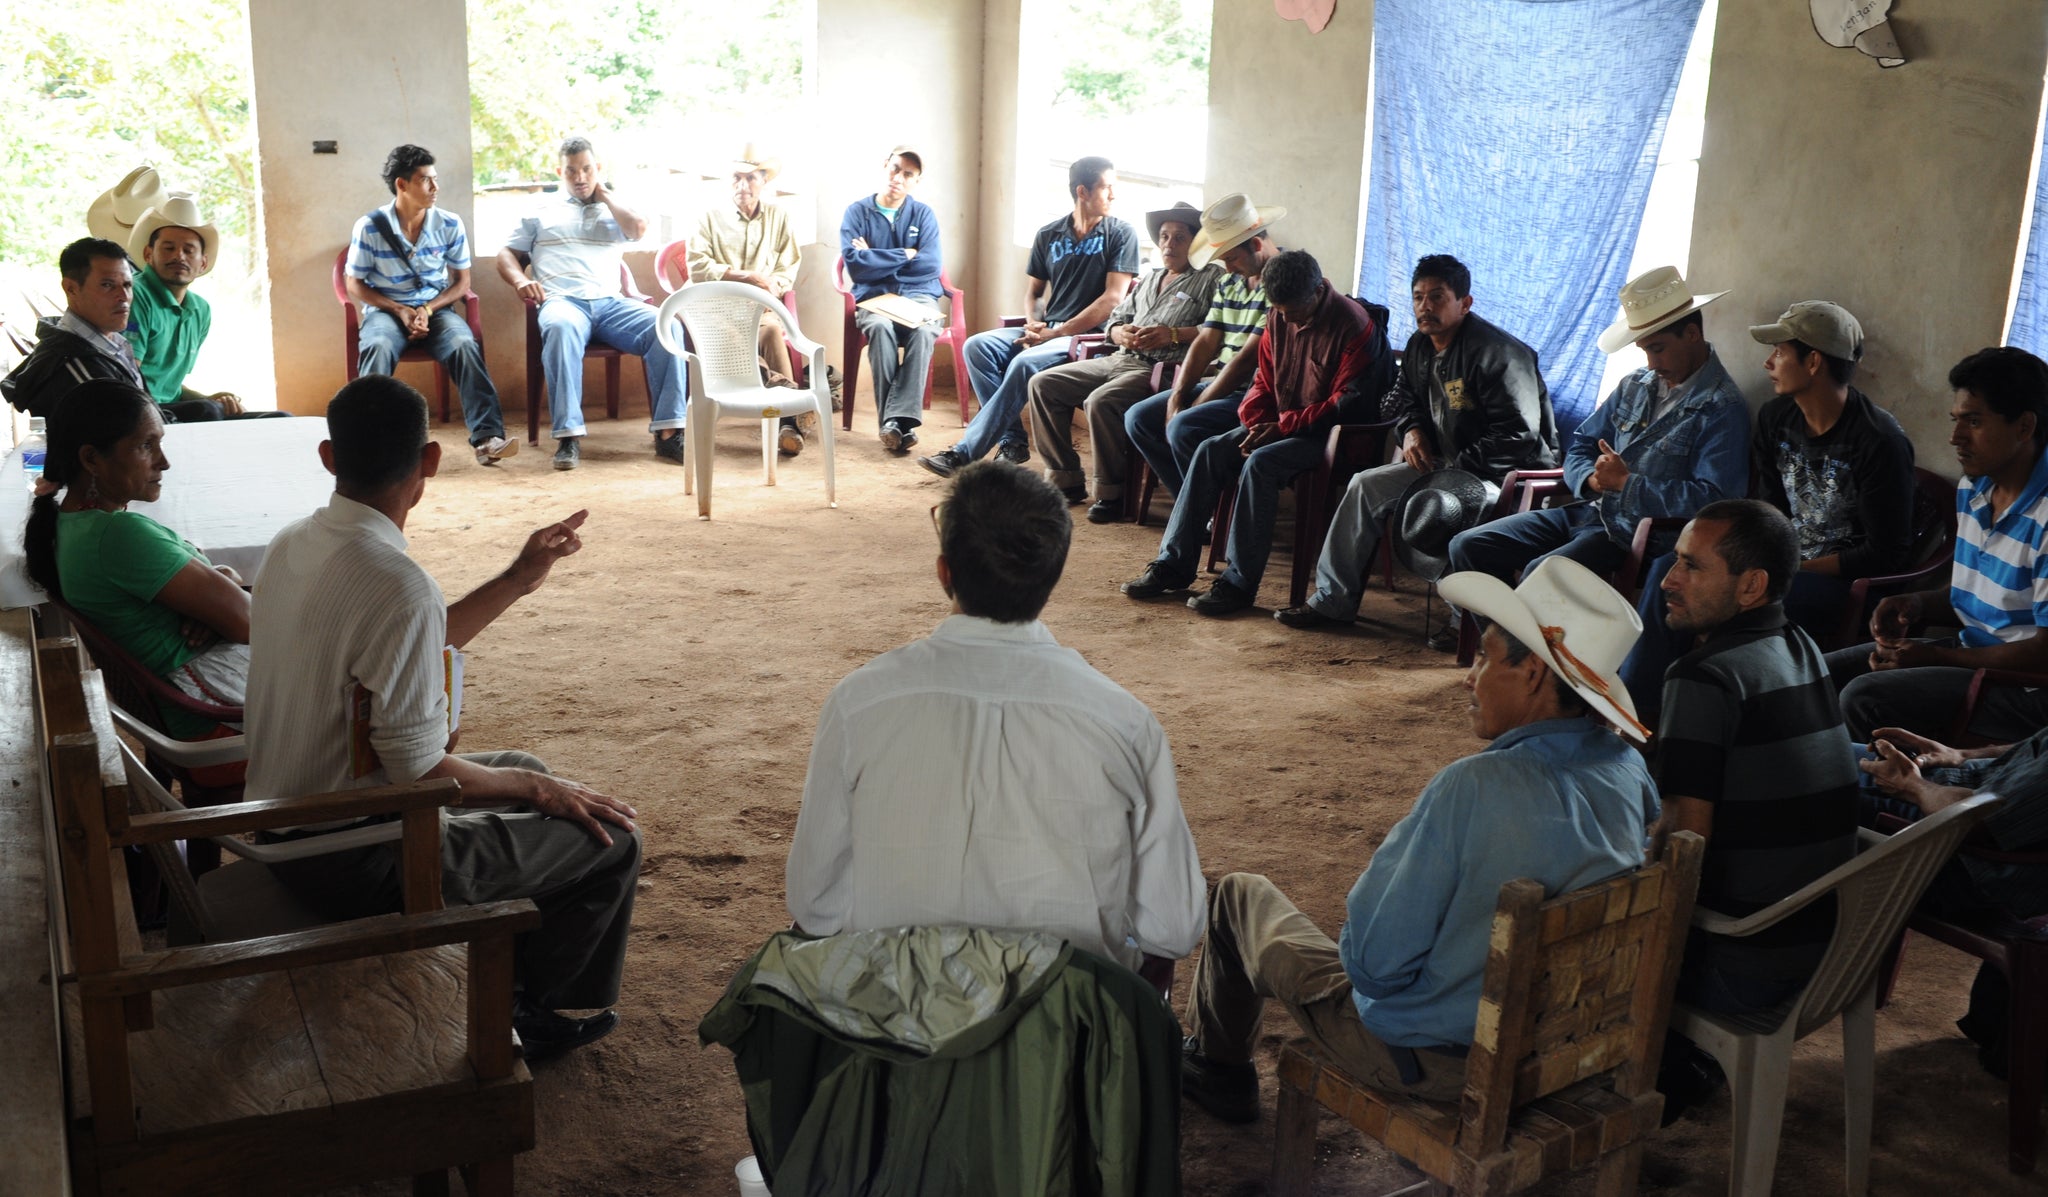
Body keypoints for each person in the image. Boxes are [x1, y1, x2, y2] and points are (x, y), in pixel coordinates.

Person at [245, 375, 642, 1060]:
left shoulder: (291, 543)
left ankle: (504, 979)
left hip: (283, 822)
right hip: (351, 857)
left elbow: (403, 640)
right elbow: (420, 770)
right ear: (429, 462)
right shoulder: (398, 584)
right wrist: (541, 794)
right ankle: (524, 1011)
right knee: (609, 835)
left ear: (328, 456)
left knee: (527, 767)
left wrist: (518, 578)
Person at [1178, 557, 1656, 1122]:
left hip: (1442, 1064)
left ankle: (1220, 1071)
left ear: (1532, 676)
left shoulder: (1472, 786)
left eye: (1484, 656)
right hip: (1564, 1047)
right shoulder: (1629, 769)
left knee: (1240, 894)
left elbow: (1375, 968)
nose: (1468, 676)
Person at [785, 462, 1205, 972]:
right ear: (1052, 577)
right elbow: (1174, 927)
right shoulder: (1123, 722)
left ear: (945, 574)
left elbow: (816, 906)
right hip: (1063, 1035)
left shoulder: (859, 703)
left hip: (894, 1033)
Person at [1644, 499, 1858, 1113]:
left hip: (1749, 967)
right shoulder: (1797, 644)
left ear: (1751, 586)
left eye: (1691, 566)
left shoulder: (1703, 677)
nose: (1668, 579)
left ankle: (1660, 1075)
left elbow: (1684, 854)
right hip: (1829, 951)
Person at [1619, 300, 1914, 725]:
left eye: (1779, 352)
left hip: (1840, 584)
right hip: (1779, 565)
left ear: (1813, 361)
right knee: (1673, 568)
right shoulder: (1777, 419)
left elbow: (1886, 553)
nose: (1767, 362)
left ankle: (1705, 721)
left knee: (1722, 595)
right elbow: (1769, 514)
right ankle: (1643, 711)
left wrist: (1792, 567)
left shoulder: (1879, 440)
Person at [1275, 255, 1558, 643]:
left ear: (1465, 303)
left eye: (1437, 297)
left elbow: (1519, 435)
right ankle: (1332, 600)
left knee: (1448, 503)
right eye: (1418, 297)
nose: (1425, 307)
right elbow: (1399, 401)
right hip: (1444, 464)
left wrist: (1454, 470)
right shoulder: (1419, 346)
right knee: (1365, 485)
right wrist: (1410, 432)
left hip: (1508, 475)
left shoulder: (1499, 354)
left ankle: (1465, 621)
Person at [1443, 266, 1747, 590]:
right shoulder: (1635, 384)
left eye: (1657, 348)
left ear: (1691, 335)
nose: (1651, 363)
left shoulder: (1720, 408)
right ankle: (1507, 636)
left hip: (1637, 535)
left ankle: (1517, 638)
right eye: (1644, 350)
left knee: (1538, 576)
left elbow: (1715, 502)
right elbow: (1582, 444)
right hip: (1589, 512)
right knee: (1468, 546)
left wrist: (1627, 484)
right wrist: (1590, 479)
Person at [1121, 250, 1379, 616]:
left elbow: (1343, 406)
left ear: (1319, 291)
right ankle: (1174, 564)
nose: (1286, 319)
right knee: (1210, 449)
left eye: (1294, 312)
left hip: (1330, 437)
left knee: (1260, 463)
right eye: (1280, 312)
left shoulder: (1353, 326)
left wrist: (1281, 427)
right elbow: (1263, 378)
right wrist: (1255, 419)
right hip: (1283, 423)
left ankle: (1238, 584)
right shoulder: (1278, 315)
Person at [1824, 346, 2048, 742]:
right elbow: (1978, 592)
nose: (1955, 437)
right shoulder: (1975, 489)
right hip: (1970, 653)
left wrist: (1937, 656)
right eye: (1956, 420)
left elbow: (2043, 654)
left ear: (2025, 427)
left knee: (1864, 697)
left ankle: (1891, 795)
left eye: (1974, 422)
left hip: (2025, 690)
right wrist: (1918, 603)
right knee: (1815, 674)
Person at [20, 380, 251, 742]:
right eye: (146, 445)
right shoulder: (118, 536)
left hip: (188, 707)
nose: (164, 462)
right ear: (91, 459)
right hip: (216, 724)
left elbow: (230, 606)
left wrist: (219, 587)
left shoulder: (73, 524)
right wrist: (221, 597)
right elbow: (248, 622)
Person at [916, 156, 1136, 477]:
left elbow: (1112, 300)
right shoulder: (1049, 234)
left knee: (1023, 363)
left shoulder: (1120, 234)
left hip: (1088, 337)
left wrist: (1053, 335)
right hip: (1049, 331)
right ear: (1082, 192)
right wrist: (1032, 322)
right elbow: (1034, 292)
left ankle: (964, 453)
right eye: (1107, 187)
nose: (1113, 195)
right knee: (977, 347)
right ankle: (1013, 442)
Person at [1859, 724, 2046, 1077]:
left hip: (1971, 860)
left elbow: (1979, 820)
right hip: (1965, 793)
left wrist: (1912, 787)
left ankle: (1756, 993)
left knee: (1802, 776)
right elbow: (2035, 747)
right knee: (1820, 756)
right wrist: (1961, 754)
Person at [496, 135, 688, 471]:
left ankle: (669, 434)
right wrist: (520, 280)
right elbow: (507, 254)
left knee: (667, 326)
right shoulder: (540, 211)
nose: (580, 177)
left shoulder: (613, 209)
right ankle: (568, 438)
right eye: (572, 171)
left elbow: (639, 228)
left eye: (587, 169)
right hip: (563, 302)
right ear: (561, 172)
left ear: (597, 168)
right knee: (559, 327)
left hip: (612, 304)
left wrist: (605, 196)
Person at [1025, 200, 1220, 521]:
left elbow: (1214, 330)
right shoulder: (1150, 278)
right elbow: (1116, 318)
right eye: (1164, 237)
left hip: (1160, 370)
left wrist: (1171, 334)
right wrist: (1119, 333)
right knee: (1043, 384)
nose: (1169, 245)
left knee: (1101, 402)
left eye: (1179, 238)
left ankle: (1111, 493)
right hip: (1121, 357)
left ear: (1196, 242)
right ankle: (1065, 477)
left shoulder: (1211, 279)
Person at [346, 144, 514, 466]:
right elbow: (354, 283)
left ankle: (488, 439)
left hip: (436, 311)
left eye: (435, 179)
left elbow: (462, 283)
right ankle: (369, 446)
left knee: (464, 344)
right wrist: (398, 309)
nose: (435, 188)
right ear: (402, 184)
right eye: (426, 180)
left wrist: (427, 310)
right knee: (378, 345)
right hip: (386, 312)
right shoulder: (369, 227)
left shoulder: (449, 224)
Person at [1124, 193, 1285, 505]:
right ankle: (1197, 507)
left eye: (1231, 258)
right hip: (1221, 383)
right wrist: (1176, 397)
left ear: (1254, 245)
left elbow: (1245, 359)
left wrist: (1194, 405)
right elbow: (1206, 341)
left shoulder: (1281, 282)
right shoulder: (1231, 283)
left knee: (1184, 426)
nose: (1227, 267)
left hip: (1253, 394)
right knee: (1138, 418)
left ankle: (1206, 511)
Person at [688, 143, 807, 457]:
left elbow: (788, 266)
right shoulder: (708, 218)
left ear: (764, 181)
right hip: (714, 308)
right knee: (730, 335)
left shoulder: (780, 217)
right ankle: (792, 397)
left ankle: (788, 427)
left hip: (760, 306)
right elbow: (697, 266)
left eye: (751, 178)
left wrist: (770, 290)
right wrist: (745, 277)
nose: (743, 185)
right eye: (736, 178)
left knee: (769, 331)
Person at [840, 145, 944, 452]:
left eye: (908, 174)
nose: (898, 178)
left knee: (925, 330)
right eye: (895, 169)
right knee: (881, 330)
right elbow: (856, 265)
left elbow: (931, 264)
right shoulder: (857, 212)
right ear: (885, 166)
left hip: (918, 296)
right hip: (874, 298)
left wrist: (876, 256)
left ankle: (894, 424)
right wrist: (905, 254)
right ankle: (901, 424)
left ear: (916, 181)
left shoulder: (923, 214)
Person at [124, 193, 251, 422]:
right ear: (148, 254)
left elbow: (169, 386)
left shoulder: (200, 310)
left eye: (189, 250)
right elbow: (129, 381)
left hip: (170, 408)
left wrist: (209, 399)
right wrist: (205, 406)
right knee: (208, 412)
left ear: (202, 263)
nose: (178, 256)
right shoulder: (137, 295)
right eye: (168, 248)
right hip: (140, 414)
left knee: (279, 418)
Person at [3, 238, 149, 419]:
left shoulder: (114, 344)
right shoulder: (78, 368)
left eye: (127, 285)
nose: (123, 296)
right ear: (71, 289)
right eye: (107, 285)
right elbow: (123, 438)